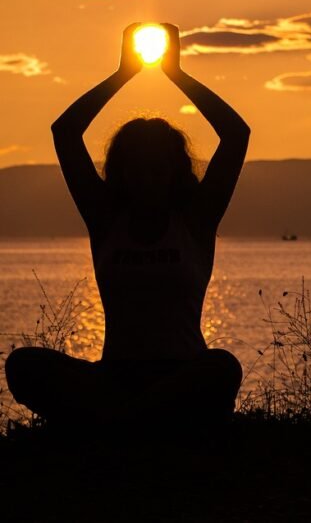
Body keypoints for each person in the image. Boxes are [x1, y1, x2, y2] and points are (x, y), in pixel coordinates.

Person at [4, 22, 250, 436]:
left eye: (158, 169)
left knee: (222, 367)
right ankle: (140, 423)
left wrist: (176, 74)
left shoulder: (195, 221)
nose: (148, 179)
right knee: (23, 365)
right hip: (115, 378)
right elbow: (64, 132)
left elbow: (236, 134)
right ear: (122, 173)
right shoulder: (105, 220)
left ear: (174, 173)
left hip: (181, 374)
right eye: (137, 169)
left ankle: (121, 424)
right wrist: (123, 74)